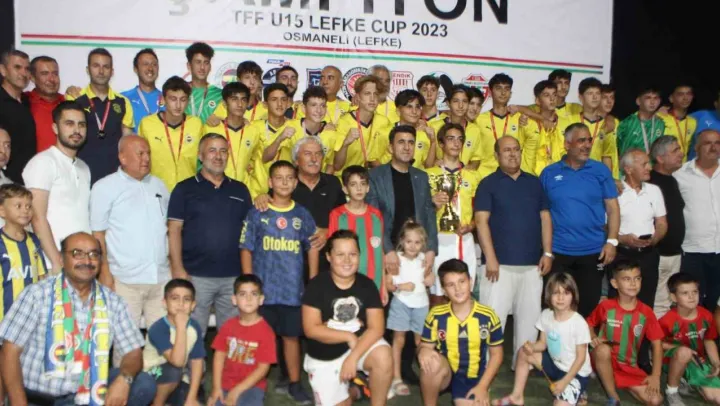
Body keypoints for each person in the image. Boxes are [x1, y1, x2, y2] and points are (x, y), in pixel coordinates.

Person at [0, 232, 156, 406]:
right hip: (41, 399)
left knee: (143, 383)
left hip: (89, 394)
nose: (87, 261)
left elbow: (133, 352)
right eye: (77, 253)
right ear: (61, 259)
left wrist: (124, 380)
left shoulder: (113, 302)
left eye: (93, 254)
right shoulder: (37, 295)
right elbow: (9, 352)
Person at [239, 160, 318, 404]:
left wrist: (313, 281)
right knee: (255, 337)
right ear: (270, 182)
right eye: (279, 178)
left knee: (291, 338)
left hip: (292, 291)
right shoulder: (257, 212)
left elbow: (313, 247)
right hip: (263, 291)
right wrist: (249, 284)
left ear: (295, 183)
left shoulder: (302, 214)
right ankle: (250, 384)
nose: (284, 182)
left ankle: (294, 383)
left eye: (289, 178)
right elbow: (246, 248)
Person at [476, 135, 553, 363]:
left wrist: (548, 253)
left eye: (516, 149)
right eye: (507, 150)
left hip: (532, 265)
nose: (512, 154)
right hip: (498, 267)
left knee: (529, 323)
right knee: (492, 321)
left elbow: (545, 218)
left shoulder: (534, 182)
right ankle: (485, 366)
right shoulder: (488, 183)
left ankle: (523, 367)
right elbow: (481, 221)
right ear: (496, 155)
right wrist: (490, 257)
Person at [167, 133, 253, 336]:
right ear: (200, 155)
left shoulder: (240, 190)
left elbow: (249, 233)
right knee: (192, 335)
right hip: (195, 276)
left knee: (232, 338)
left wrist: (247, 273)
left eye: (223, 151)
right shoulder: (184, 189)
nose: (218, 156)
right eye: (212, 150)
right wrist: (177, 268)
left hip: (233, 276)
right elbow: (174, 230)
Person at [90, 136, 170, 345]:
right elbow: (98, 234)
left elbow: (167, 230)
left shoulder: (159, 185)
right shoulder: (104, 187)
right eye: (140, 153)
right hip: (125, 282)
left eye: (148, 153)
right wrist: (105, 273)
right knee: (126, 347)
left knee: (161, 345)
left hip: (160, 279)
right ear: (122, 158)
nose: (146, 158)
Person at [302, 230, 393, 406]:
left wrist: (353, 357)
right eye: (340, 255)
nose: (347, 260)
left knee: (383, 355)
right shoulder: (316, 286)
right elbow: (311, 329)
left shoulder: (367, 284)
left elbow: (377, 328)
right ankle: (355, 391)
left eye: (352, 254)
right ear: (329, 257)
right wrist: (348, 337)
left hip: (359, 346)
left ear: (359, 256)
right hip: (325, 353)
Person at [540, 123, 620, 317]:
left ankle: (584, 339)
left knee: (588, 309)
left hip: (592, 252)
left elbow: (613, 208)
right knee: (554, 310)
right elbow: (543, 215)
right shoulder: (549, 173)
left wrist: (612, 241)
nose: (587, 145)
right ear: (567, 144)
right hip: (558, 253)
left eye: (589, 140)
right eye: (581, 141)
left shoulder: (600, 171)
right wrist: (546, 252)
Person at [493, 272, 592, 406]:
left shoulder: (578, 323)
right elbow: (543, 343)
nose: (561, 298)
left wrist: (565, 381)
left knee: (559, 404)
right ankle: (517, 396)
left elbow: (581, 359)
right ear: (549, 295)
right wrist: (532, 347)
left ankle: (578, 390)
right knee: (523, 352)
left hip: (575, 373)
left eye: (566, 293)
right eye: (556, 293)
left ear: (573, 295)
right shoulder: (546, 315)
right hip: (555, 365)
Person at [418, 259, 504, 406]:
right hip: (445, 372)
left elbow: (497, 355)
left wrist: (483, 386)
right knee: (430, 362)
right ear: (444, 290)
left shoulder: (488, 316)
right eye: (451, 285)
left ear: (471, 282)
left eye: (462, 281)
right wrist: (423, 351)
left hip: (472, 377)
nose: (457, 289)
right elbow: (425, 346)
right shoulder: (436, 315)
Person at [23, 101, 91, 273]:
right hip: (52, 265)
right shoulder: (43, 162)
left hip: (82, 263)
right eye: (69, 124)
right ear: (55, 128)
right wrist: (56, 261)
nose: (76, 130)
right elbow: (37, 217)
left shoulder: (84, 167)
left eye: (81, 125)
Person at [587, 261, 664, 406]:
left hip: (628, 366)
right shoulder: (606, 306)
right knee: (603, 350)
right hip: (602, 359)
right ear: (614, 283)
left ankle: (621, 382)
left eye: (637, 278)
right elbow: (588, 324)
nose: (633, 283)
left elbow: (657, 344)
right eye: (627, 279)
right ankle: (613, 397)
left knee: (656, 400)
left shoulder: (646, 312)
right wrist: (593, 337)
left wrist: (655, 376)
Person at [366, 125, 438, 277]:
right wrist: (388, 250)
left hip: (417, 254)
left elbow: (429, 215)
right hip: (385, 253)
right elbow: (373, 218)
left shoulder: (421, 177)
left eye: (411, 143)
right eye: (401, 142)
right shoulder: (375, 176)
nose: (407, 147)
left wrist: (431, 249)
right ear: (390, 148)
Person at [0, 183, 47, 403]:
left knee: (21, 374)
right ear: (2, 210)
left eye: (28, 206)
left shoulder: (34, 241)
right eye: (18, 205)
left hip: (29, 322)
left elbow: (41, 277)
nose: (25, 210)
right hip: (4, 321)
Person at [428, 123, 484, 305]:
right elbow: (419, 213)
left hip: (464, 238)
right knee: (438, 293)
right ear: (441, 144)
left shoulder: (472, 176)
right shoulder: (428, 175)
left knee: (464, 291)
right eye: (450, 139)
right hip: (439, 239)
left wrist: (472, 226)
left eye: (460, 139)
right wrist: (432, 204)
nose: (456, 143)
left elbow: (479, 211)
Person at [66, 48, 134, 184]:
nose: (101, 71)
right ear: (88, 70)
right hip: (81, 175)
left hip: (115, 177)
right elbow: (67, 140)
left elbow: (127, 142)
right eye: (96, 66)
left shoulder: (123, 102)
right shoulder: (74, 98)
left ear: (112, 71)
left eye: (106, 67)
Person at [611, 149, 667, 311]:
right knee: (618, 304)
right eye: (644, 164)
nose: (649, 167)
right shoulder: (615, 191)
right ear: (628, 169)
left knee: (647, 303)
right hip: (622, 254)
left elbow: (662, 223)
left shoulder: (654, 190)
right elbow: (604, 225)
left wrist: (654, 239)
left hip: (649, 254)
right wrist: (623, 239)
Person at [208, 275, 277, 406]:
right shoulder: (228, 326)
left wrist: (236, 391)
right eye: (243, 294)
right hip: (226, 383)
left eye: (254, 294)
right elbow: (219, 356)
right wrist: (216, 388)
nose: (248, 299)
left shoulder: (266, 332)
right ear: (234, 300)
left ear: (261, 299)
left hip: (252, 386)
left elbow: (263, 369)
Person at [673, 129, 720, 309]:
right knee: (693, 304)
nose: (713, 147)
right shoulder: (680, 175)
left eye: (717, 143)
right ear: (696, 147)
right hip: (693, 250)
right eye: (708, 143)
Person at [386, 221, 433, 397]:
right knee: (398, 340)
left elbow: (430, 278)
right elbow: (388, 284)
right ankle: (396, 378)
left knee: (421, 342)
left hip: (421, 305)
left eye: (417, 242)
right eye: (409, 242)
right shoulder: (396, 259)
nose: (413, 246)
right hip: (401, 303)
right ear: (402, 241)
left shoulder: (424, 260)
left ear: (423, 243)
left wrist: (431, 279)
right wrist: (400, 286)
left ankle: (427, 377)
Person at [659, 272, 720, 406]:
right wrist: (681, 349)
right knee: (684, 352)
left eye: (695, 292)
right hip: (672, 360)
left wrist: (716, 363)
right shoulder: (667, 320)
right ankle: (672, 392)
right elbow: (657, 344)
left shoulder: (706, 315)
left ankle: (689, 382)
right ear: (673, 297)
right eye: (685, 293)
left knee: (716, 398)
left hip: (697, 361)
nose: (691, 297)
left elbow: (709, 340)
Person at [328, 165, 387, 302]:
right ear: (345, 189)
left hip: (374, 282)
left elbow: (380, 252)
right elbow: (332, 252)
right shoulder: (337, 215)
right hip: (345, 283)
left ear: (368, 187)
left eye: (363, 184)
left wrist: (383, 286)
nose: (359, 188)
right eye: (353, 184)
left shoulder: (376, 215)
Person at [143, 279, 205, 406]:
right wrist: (181, 326)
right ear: (165, 303)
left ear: (193, 305)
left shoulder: (194, 327)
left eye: (186, 299)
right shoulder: (158, 328)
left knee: (197, 401)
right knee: (173, 370)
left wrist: (191, 398)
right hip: (150, 377)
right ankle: (157, 403)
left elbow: (197, 362)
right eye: (175, 298)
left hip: (178, 378)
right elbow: (177, 361)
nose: (181, 304)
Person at [139, 76, 203, 192]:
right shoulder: (147, 124)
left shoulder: (196, 124)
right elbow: (139, 159)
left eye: (183, 100)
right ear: (163, 100)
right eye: (173, 99)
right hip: (156, 191)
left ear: (188, 101)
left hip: (188, 192)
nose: (178, 105)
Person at [648, 136, 686, 317]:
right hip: (658, 255)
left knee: (668, 304)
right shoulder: (649, 182)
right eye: (675, 151)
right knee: (657, 304)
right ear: (660, 158)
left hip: (674, 254)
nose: (681, 154)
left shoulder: (672, 180)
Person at [202, 81, 264, 189]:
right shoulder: (210, 129)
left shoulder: (253, 131)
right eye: (234, 99)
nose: (240, 104)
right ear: (224, 103)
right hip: (215, 189)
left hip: (243, 190)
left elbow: (256, 162)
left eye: (243, 99)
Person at [477, 73, 540, 174]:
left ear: (510, 93)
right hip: (486, 174)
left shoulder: (521, 119)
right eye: (498, 88)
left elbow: (533, 140)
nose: (503, 93)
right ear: (490, 92)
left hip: (513, 175)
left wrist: (526, 125)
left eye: (506, 89)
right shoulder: (479, 119)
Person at [333, 75, 392, 177]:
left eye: (375, 94)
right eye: (367, 93)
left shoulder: (384, 121)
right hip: (347, 179)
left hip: (373, 179)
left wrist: (380, 162)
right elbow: (337, 166)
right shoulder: (344, 122)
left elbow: (392, 149)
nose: (372, 98)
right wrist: (345, 144)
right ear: (358, 97)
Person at [247, 83, 295, 198]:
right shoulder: (253, 127)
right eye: (274, 99)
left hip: (286, 194)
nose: (279, 104)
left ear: (288, 103)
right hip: (257, 194)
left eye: (283, 99)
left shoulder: (296, 127)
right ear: (265, 104)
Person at [369, 89, 436, 169]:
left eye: (417, 107)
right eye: (409, 107)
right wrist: (389, 153)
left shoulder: (425, 134)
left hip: (416, 176)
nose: (414, 111)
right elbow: (372, 163)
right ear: (398, 111)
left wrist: (433, 142)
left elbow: (428, 166)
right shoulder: (383, 133)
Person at [567, 77, 617, 176]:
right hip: (573, 174)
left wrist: (607, 179)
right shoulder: (570, 121)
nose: (594, 97)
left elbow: (606, 156)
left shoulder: (607, 125)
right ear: (581, 97)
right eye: (590, 93)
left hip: (595, 176)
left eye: (597, 93)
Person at [0, 49, 36, 183]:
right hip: (5, 183)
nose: (23, 73)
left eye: (27, 69)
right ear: (3, 70)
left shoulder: (28, 101)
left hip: (27, 181)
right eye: (17, 67)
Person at [429, 85, 482, 170]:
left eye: (464, 101)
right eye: (456, 101)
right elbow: (427, 161)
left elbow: (476, 160)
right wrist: (435, 163)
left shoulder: (474, 130)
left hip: (464, 176)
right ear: (448, 103)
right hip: (441, 175)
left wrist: (460, 169)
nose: (460, 106)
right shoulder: (434, 127)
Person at [534, 80, 572, 176]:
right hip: (535, 177)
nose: (552, 99)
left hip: (560, 176)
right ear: (537, 101)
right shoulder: (529, 122)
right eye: (547, 95)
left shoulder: (567, 123)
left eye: (554, 95)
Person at [27, 55, 64, 153]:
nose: (51, 79)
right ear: (32, 78)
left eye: (55, 74)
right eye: (44, 73)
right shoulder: (23, 102)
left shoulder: (68, 102)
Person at [617, 86, 665, 158]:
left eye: (656, 98)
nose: (652, 102)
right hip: (629, 164)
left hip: (652, 164)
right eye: (648, 98)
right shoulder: (627, 123)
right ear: (638, 101)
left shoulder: (661, 123)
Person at [121, 48, 161, 131]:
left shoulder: (168, 99)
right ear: (136, 69)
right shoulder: (123, 99)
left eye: (154, 64)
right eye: (145, 64)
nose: (150, 68)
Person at [184, 42, 222, 124]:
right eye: (198, 62)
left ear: (210, 67)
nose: (202, 67)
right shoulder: (180, 91)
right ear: (189, 66)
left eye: (206, 63)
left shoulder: (219, 94)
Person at [658, 83, 696, 161]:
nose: (685, 98)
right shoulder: (660, 117)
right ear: (671, 98)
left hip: (683, 166)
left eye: (689, 94)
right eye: (680, 94)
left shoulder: (693, 122)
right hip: (664, 165)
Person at [687, 90, 720, 161]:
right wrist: (665, 113)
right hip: (693, 165)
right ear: (716, 104)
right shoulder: (701, 115)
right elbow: (677, 120)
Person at [599, 83, 621, 179]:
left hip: (614, 178)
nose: (609, 101)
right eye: (605, 97)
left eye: (612, 97)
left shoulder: (616, 122)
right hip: (595, 177)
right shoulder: (589, 122)